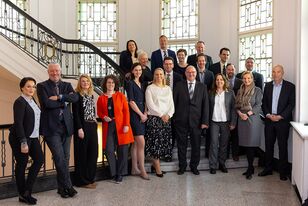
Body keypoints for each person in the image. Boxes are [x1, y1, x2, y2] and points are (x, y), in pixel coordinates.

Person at [37, 63, 78, 198]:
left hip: (66, 126)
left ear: (60, 71)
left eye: (57, 71)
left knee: (65, 158)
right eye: (52, 71)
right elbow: (46, 104)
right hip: (51, 128)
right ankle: (69, 186)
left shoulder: (67, 85)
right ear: (48, 72)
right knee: (59, 157)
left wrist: (59, 97)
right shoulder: (42, 86)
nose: (55, 73)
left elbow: (75, 98)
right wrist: (64, 101)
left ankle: (61, 189)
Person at [9, 77, 44, 205]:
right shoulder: (20, 101)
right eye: (28, 86)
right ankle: (23, 194)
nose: (32, 89)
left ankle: (27, 191)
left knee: (39, 159)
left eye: (33, 86)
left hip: (33, 137)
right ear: (22, 87)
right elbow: (18, 123)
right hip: (20, 137)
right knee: (22, 164)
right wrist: (23, 142)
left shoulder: (32, 100)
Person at [258, 65, 295, 181]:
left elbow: (291, 105)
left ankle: (283, 172)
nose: (275, 74)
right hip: (269, 120)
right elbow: (264, 103)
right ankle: (268, 169)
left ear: (282, 73)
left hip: (282, 122)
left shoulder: (290, 87)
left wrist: (280, 116)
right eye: (273, 72)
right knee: (268, 146)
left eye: (278, 72)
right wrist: (268, 115)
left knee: (282, 146)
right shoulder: (268, 86)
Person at [97, 75, 134, 184]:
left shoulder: (121, 96)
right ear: (105, 84)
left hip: (121, 125)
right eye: (109, 82)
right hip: (108, 125)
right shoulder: (101, 98)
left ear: (115, 84)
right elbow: (99, 112)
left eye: (113, 83)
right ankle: (114, 172)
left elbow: (126, 111)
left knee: (122, 150)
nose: (111, 84)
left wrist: (126, 124)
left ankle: (120, 174)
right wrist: (103, 117)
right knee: (108, 149)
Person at [173, 65, 209, 175]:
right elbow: (174, 103)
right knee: (181, 145)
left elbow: (205, 105)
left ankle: (194, 166)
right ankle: (182, 166)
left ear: (196, 73)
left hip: (197, 122)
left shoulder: (202, 87)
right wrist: (174, 119)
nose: (191, 74)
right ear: (185, 73)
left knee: (196, 145)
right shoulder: (178, 85)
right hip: (181, 121)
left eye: (193, 72)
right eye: (188, 72)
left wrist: (205, 121)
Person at [145, 68, 174, 177]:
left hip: (166, 119)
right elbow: (150, 105)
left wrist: (169, 115)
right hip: (155, 119)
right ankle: (158, 170)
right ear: (154, 76)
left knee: (162, 144)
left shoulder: (167, 88)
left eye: (161, 74)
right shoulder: (150, 88)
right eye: (156, 74)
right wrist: (161, 114)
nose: (159, 76)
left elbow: (172, 104)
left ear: (163, 75)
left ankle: (155, 166)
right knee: (155, 145)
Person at [235, 71, 263, 180]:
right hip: (242, 119)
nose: (246, 80)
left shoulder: (257, 90)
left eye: (249, 78)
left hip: (252, 119)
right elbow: (236, 105)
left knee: (251, 145)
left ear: (252, 79)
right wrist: (240, 114)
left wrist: (247, 114)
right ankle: (250, 167)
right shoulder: (239, 90)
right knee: (246, 145)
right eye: (245, 78)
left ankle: (250, 168)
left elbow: (258, 105)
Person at [72, 74, 98, 189]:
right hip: (82, 127)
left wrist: (95, 121)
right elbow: (76, 114)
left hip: (92, 126)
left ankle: (90, 178)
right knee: (82, 154)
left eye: (87, 81)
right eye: (83, 81)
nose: (85, 83)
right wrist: (79, 128)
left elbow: (91, 111)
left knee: (93, 153)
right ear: (80, 83)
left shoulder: (91, 95)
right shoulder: (77, 95)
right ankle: (82, 181)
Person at [208, 74, 236, 174]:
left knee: (224, 144)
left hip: (226, 122)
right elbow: (208, 108)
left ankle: (222, 163)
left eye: (221, 80)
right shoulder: (211, 92)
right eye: (217, 80)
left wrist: (233, 122)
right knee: (214, 143)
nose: (219, 81)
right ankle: (213, 165)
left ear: (224, 81)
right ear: (215, 81)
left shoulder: (230, 93)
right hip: (214, 121)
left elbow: (233, 108)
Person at [126, 63, 149, 180]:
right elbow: (131, 102)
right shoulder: (130, 83)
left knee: (135, 144)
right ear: (132, 71)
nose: (138, 72)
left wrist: (145, 113)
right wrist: (140, 114)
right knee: (141, 143)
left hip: (142, 115)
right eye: (136, 70)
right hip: (134, 116)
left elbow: (145, 101)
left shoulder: (143, 84)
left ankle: (134, 168)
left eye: (140, 70)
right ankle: (142, 170)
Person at [225, 63, 242, 161]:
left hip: (237, 111)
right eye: (228, 69)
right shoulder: (222, 81)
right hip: (226, 111)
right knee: (226, 134)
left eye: (232, 69)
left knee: (236, 134)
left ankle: (235, 153)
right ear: (226, 71)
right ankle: (226, 153)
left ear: (235, 70)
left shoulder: (240, 82)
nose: (230, 71)